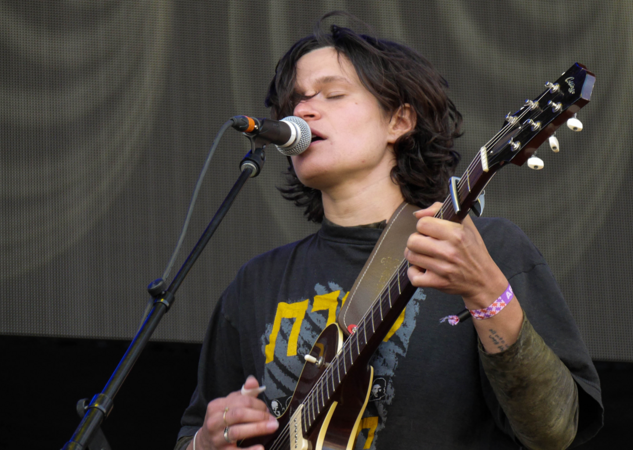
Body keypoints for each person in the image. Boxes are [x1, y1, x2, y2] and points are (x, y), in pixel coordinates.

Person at [175, 12, 602, 450]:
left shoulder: (484, 250)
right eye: (294, 102)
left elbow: (555, 431)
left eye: (333, 94)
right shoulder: (255, 286)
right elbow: (193, 434)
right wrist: (206, 443)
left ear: (399, 121)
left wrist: (486, 292)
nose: (302, 110)